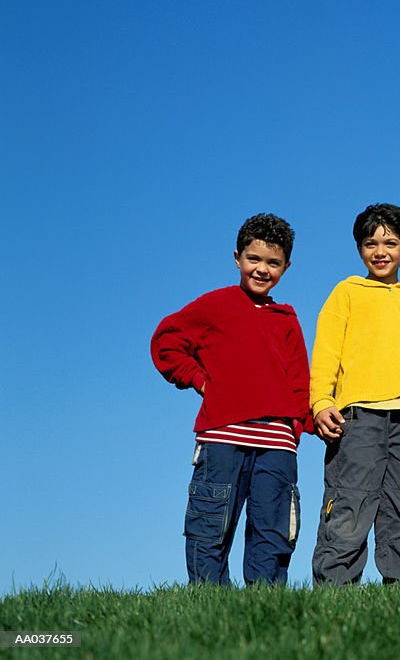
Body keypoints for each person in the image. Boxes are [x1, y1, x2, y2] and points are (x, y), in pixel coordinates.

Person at [151, 213, 309, 585]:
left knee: (272, 532)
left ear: (287, 266)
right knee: (210, 526)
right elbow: (166, 342)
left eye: (273, 263)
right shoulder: (214, 306)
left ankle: (265, 610)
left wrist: (308, 422)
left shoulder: (286, 319)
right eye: (254, 259)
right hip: (223, 438)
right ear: (237, 257)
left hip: (278, 446)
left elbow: (300, 381)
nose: (261, 270)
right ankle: (210, 604)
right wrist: (199, 380)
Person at [309, 203, 400, 585]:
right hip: (359, 415)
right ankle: (334, 593)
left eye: (390, 243)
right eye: (371, 243)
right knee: (350, 501)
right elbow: (326, 353)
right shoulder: (346, 293)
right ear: (359, 249)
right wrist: (321, 401)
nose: (380, 251)